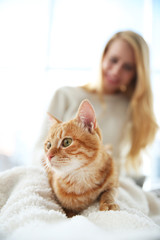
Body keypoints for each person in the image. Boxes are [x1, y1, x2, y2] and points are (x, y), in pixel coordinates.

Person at [33, 30, 158, 177]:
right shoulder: (65, 95)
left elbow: (126, 168)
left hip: (105, 183)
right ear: (103, 57)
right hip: (60, 178)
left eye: (128, 67)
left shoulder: (132, 109)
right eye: (114, 60)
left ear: (136, 74)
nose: (116, 71)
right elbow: (38, 153)